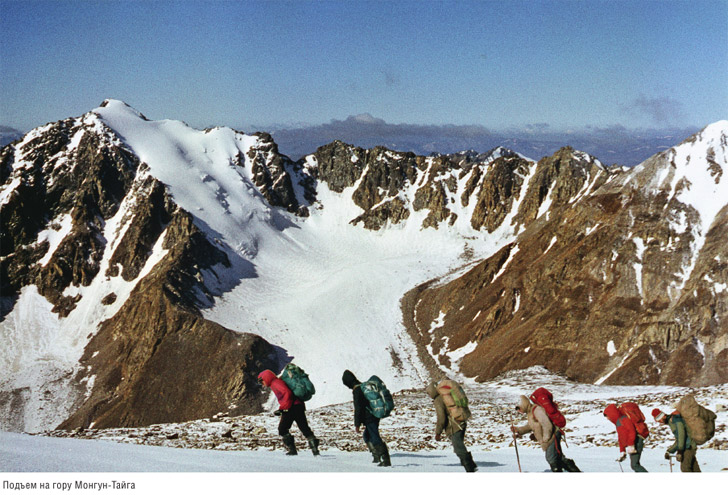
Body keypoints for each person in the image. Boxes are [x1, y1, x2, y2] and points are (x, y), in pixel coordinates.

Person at [257, 369, 320, 456]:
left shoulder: (276, 383)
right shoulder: (276, 382)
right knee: (304, 428)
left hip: (291, 407)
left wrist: (282, 408)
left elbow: (287, 393)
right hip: (299, 406)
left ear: (266, 378)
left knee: (282, 429)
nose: (262, 383)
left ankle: (292, 450)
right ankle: (315, 450)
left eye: (262, 381)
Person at [511, 395, 580, 472]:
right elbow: (531, 426)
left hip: (552, 436)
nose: (518, 411)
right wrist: (518, 430)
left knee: (551, 458)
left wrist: (546, 438)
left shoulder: (537, 410)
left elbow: (547, 424)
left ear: (523, 404)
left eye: (519, 408)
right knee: (558, 457)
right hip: (549, 437)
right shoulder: (530, 412)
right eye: (517, 409)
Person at [342, 370, 391, 467]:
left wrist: (357, 424)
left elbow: (358, 408)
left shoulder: (357, 390)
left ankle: (385, 459)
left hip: (369, 417)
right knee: (367, 436)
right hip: (374, 415)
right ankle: (377, 456)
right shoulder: (363, 387)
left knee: (374, 436)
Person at [425, 382, 477, 472]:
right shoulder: (446, 395)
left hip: (454, 426)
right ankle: (471, 467)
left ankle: (470, 469)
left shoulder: (438, 400)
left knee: (459, 449)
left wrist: (438, 433)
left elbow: (441, 418)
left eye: (429, 393)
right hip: (461, 422)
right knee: (459, 447)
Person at [603, 404, 648, 472]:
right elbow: (621, 438)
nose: (608, 418)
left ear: (612, 414)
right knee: (635, 465)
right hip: (634, 443)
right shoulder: (618, 422)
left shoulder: (624, 419)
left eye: (607, 416)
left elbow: (632, 431)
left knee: (635, 465)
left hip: (637, 441)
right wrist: (622, 451)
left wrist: (631, 445)